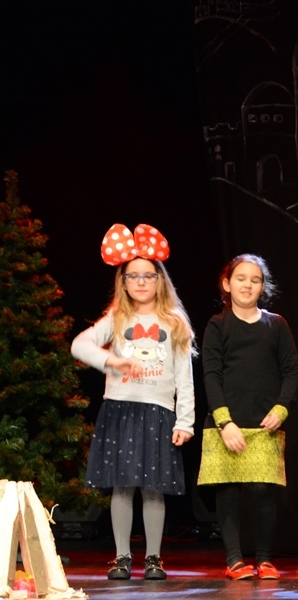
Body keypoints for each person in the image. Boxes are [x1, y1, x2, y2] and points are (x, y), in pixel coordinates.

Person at [71, 223, 195, 581]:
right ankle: (122, 556)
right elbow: (79, 345)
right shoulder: (117, 318)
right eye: (133, 276)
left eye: (148, 276)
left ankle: (154, 558)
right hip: (121, 409)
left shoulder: (174, 323)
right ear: (123, 282)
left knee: (154, 488)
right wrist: (112, 360)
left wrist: (185, 421)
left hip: (158, 412)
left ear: (160, 280)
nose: (141, 282)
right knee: (122, 485)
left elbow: (184, 376)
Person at [198, 255, 298, 580]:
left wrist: (281, 408)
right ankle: (234, 560)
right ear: (227, 284)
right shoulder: (218, 325)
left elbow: (291, 371)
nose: (248, 285)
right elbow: (211, 375)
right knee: (227, 492)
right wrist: (224, 422)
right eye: (241, 278)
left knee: (263, 491)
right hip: (225, 425)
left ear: (263, 286)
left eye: (255, 280)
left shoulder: (276, 325)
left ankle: (265, 559)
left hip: (264, 425)